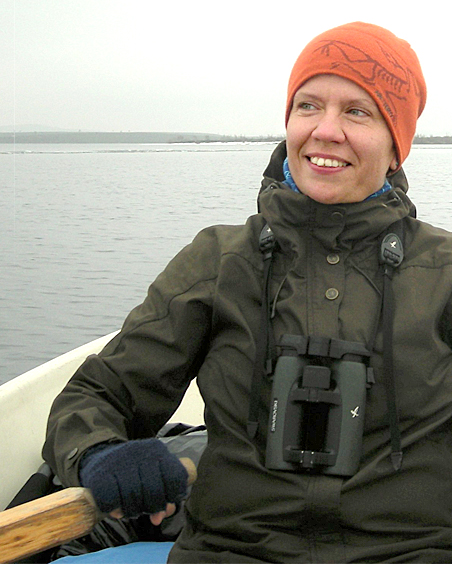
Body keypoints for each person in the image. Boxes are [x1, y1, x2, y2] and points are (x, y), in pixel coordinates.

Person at [42, 21, 452, 563]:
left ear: (397, 146)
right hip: (231, 551)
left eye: (358, 112)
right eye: (308, 106)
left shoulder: (442, 272)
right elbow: (99, 394)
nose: (325, 131)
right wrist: (100, 453)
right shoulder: (220, 260)